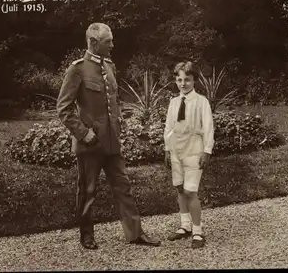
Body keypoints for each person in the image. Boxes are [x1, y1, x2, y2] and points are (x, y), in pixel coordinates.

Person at [56, 22, 161, 250]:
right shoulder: (77, 69)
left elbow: (114, 100)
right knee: (88, 190)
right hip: (90, 144)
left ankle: (135, 233)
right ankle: (86, 236)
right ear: (94, 42)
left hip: (112, 142)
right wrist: (83, 134)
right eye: (108, 41)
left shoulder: (110, 66)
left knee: (123, 187)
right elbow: (63, 108)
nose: (113, 45)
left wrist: (120, 120)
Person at [163, 61, 214, 249]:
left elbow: (208, 128)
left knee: (191, 191)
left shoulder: (201, 102)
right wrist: (167, 150)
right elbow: (169, 128)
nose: (183, 83)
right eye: (179, 80)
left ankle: (198, 230)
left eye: (187, 80)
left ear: (194, 81)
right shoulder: (174, 102)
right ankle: (185, 225)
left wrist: (207, 151)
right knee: (179, 188)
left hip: (194, 149)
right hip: (176, 150)